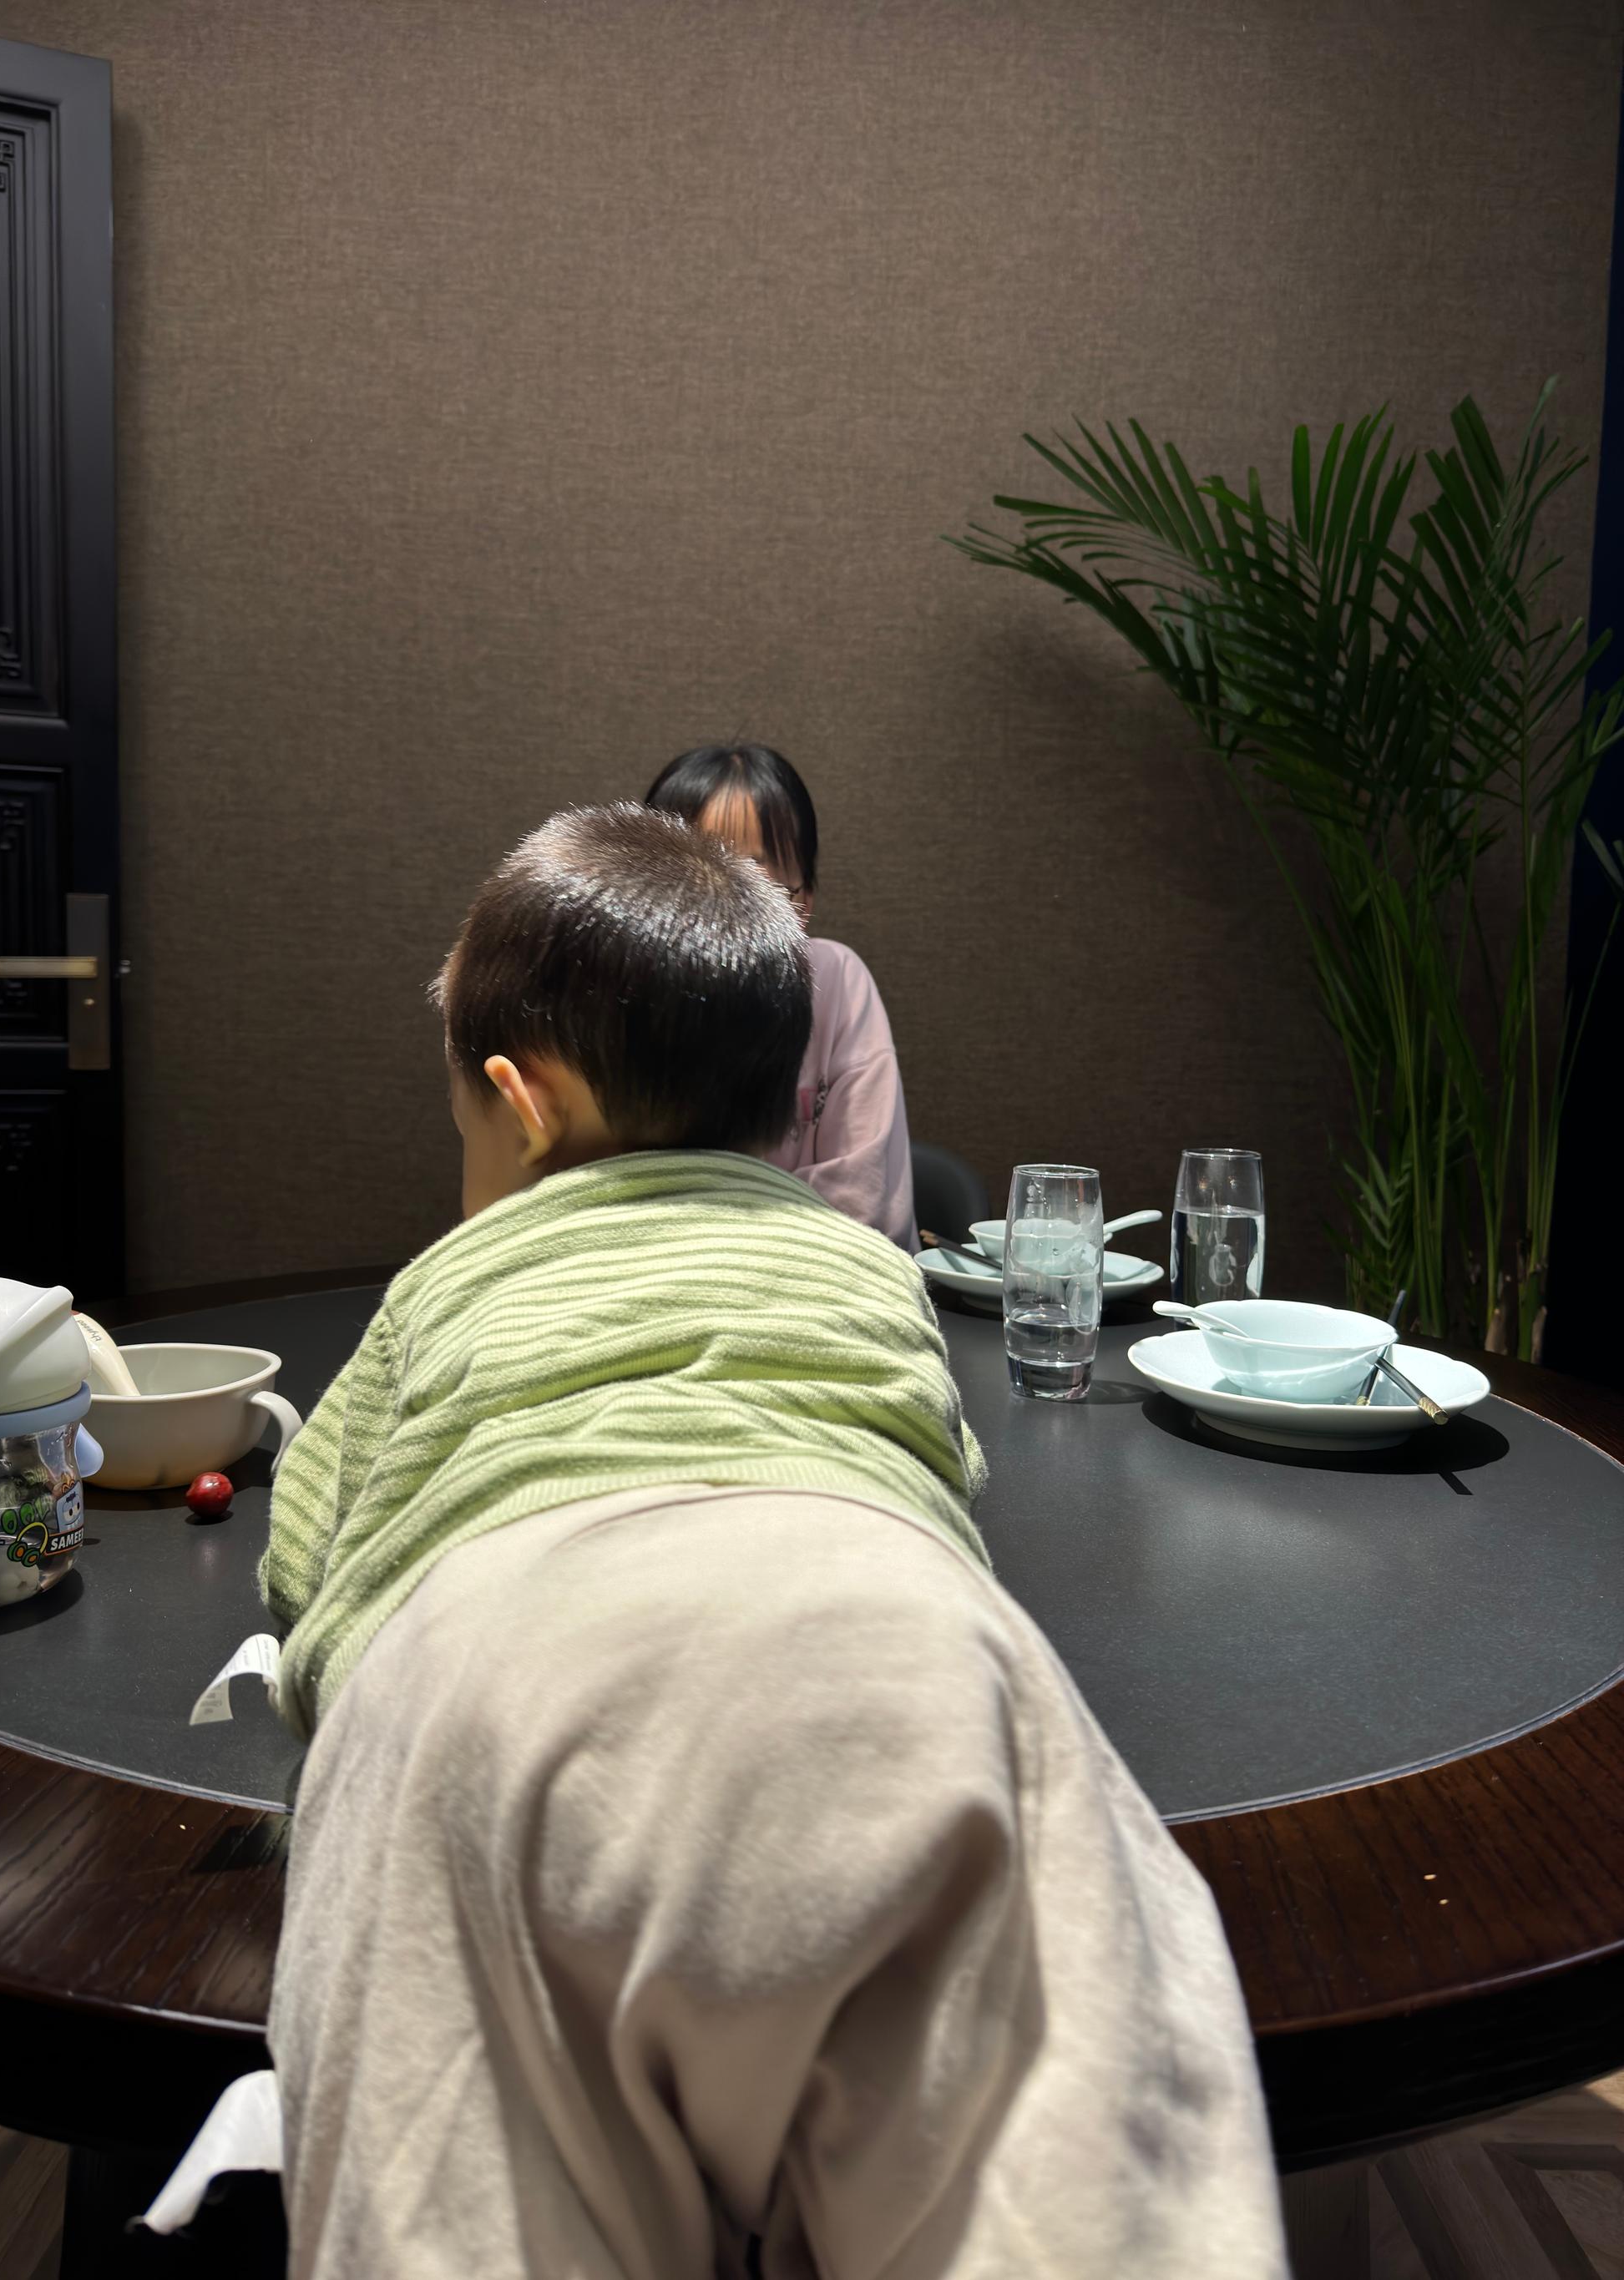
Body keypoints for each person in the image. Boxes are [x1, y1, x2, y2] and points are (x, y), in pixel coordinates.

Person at [255, 805, 1285, 2280]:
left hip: (485, 1696)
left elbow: (308, 1555)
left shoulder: (447, 1281)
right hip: (898, 1661)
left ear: (517, 1102)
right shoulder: (867, 1277)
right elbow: (939, 1464)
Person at [645, 745, 918, 1251]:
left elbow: (865, 1202)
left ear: (804, 899)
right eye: (697, 872)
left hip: (822, 1284)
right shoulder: (625, 997)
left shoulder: (836, 983)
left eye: (755, 879)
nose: (725, 902)